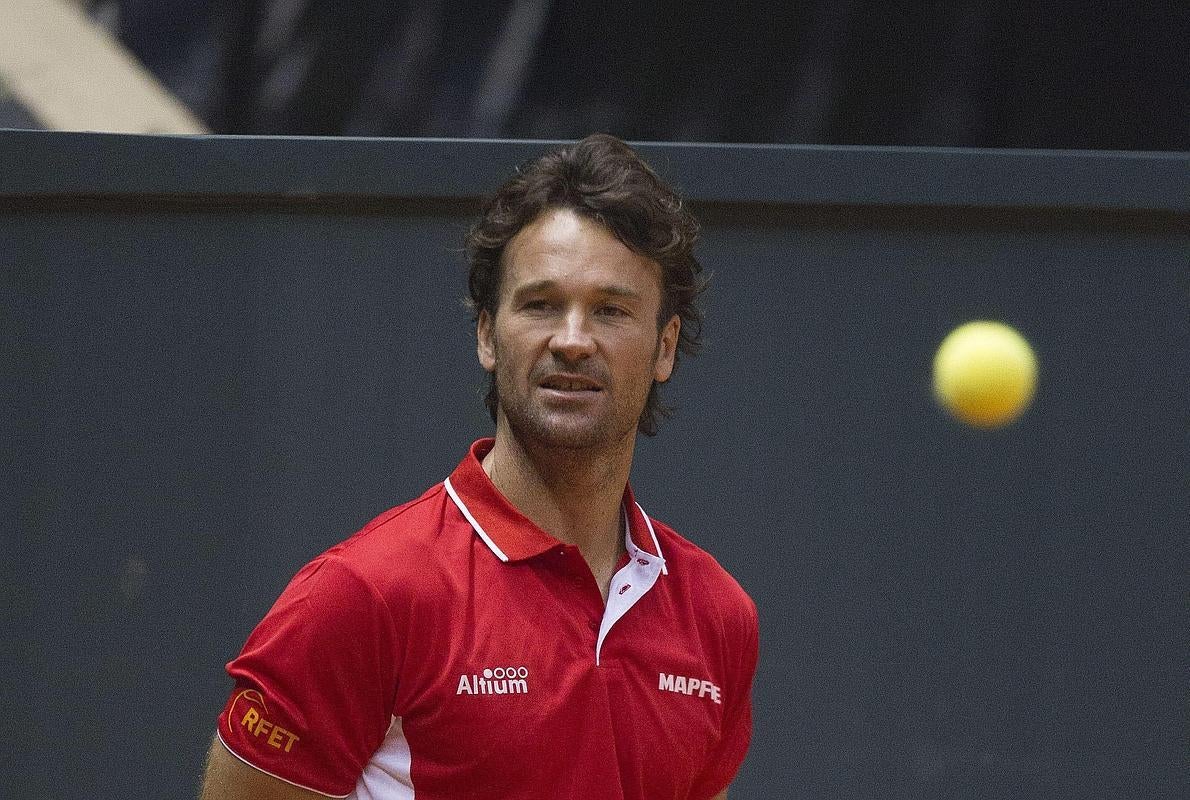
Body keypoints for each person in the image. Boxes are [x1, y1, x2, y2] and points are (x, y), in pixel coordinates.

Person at [199, 133, 759, 800]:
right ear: (488, 334)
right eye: (540, 304)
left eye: (610, 310)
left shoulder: (717, 615)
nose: (572, 340)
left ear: (665, 347)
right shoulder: (364, 594)